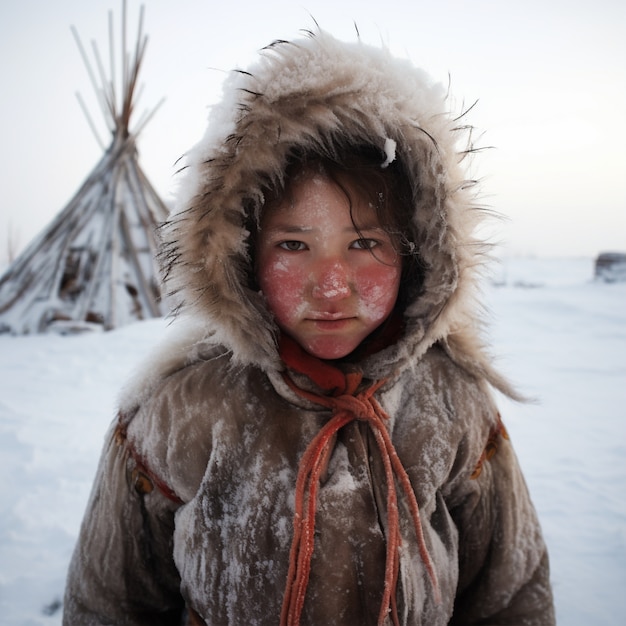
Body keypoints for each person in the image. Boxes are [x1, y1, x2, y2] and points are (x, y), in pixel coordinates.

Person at [63, 29, 555, 625]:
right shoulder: (179, 411)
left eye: (365, 243)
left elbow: (511, 594)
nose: (330, 286)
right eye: (294, 244)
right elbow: (110, 604)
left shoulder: (452, 404)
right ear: (240, 252)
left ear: (417, 252)